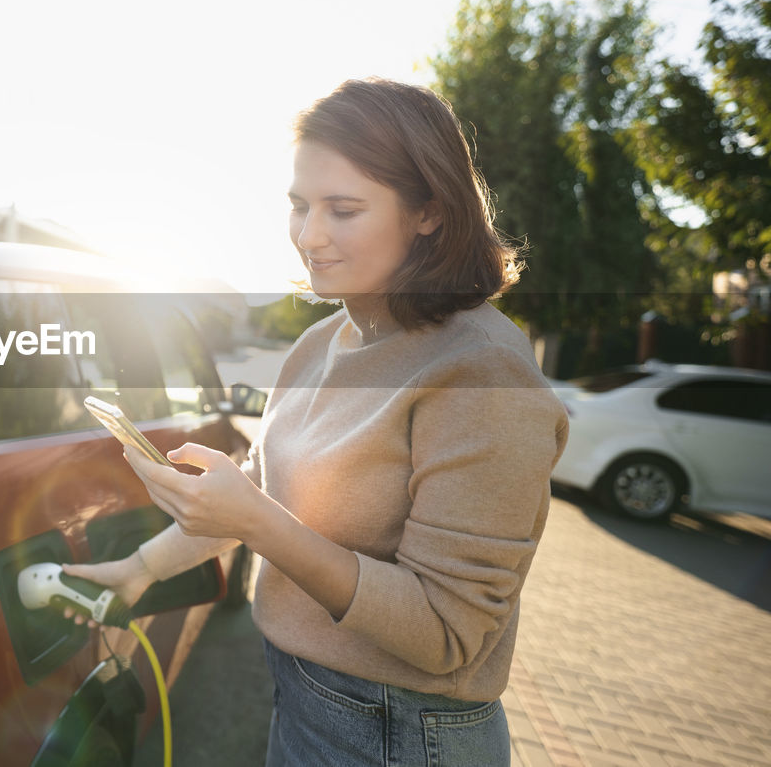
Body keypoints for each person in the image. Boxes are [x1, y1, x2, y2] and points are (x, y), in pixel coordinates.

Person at [62, 77, 569, 765]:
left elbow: (449, 634)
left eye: (343, 209)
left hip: (405, 735)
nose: (309, 235)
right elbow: (263, 487)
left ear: (428, 211)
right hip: (305, 699)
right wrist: (140, 568)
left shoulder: (482, 371)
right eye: (300, 206)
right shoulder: (321, 341)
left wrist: (254, 522)